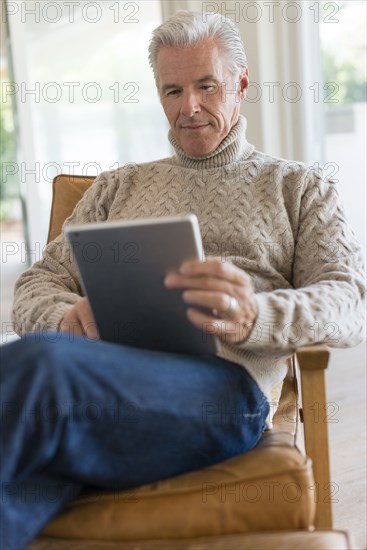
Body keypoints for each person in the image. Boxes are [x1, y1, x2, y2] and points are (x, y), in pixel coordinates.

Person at [1, 10, 365, 549]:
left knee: (39, 364)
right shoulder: (115, 188)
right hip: (107, 380)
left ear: (241, 84)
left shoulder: (299, 188)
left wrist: (255, 316)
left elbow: (347, 302)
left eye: (206, 86)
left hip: (224, 393)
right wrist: (64, 315)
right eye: (172, 90)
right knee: (24, 483)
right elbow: (36, 284)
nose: (188, 106)